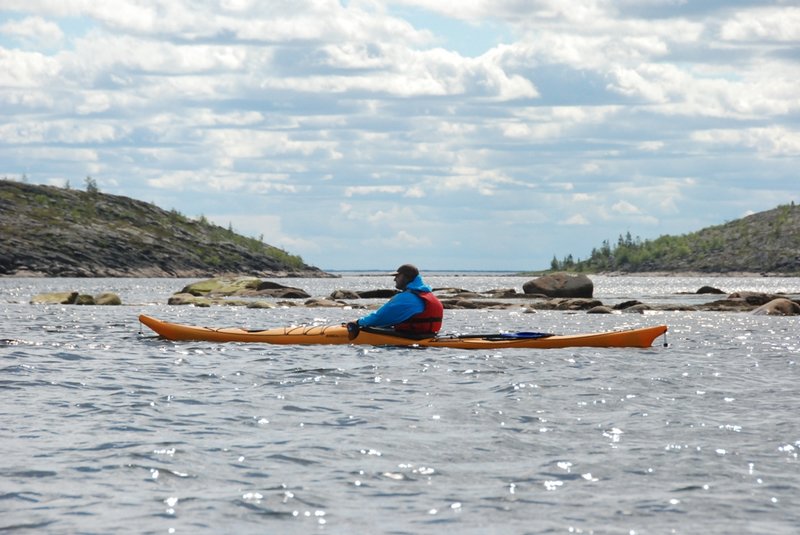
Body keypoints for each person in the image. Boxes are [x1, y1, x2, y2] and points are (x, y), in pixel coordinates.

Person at [347, 264, 443, 339]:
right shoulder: (429, 295)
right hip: (429, 335)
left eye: (397, 276)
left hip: (413, 339)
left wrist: (358, 322)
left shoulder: (405, 298)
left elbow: (378, 318)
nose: (394, 279)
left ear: (406, 277)